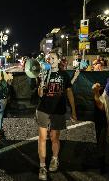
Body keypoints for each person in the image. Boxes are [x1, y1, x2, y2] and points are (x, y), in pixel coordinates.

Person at [36, 50, 77, 180]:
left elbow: (69, 92)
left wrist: (74, 111)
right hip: (43, 109)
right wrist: (41, 85)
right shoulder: (43, 73)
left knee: (54, 137)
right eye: (49, 58)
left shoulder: (64, 75)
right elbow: (40, 95)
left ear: (59, 60)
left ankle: (54, 158)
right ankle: (42, 166)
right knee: (42, 137)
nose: (51, 60)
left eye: (53, 58)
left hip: (58, 110)